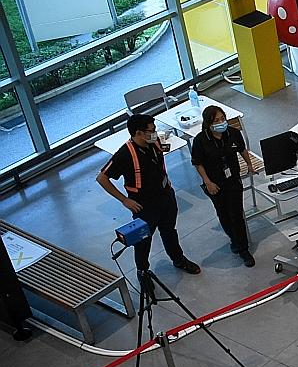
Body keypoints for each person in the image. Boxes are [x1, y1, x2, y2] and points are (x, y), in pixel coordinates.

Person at [96, 113, 200, 277]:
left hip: (166, 196)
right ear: (138, 133)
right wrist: (124, 200)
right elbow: (102, 178)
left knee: (169, 231)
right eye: (151, 130)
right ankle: (142, 271)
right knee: (143, 240)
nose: (155, 133)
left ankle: (178, 259)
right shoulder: (125, 154)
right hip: (144, 205)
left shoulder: (153, 142)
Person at [190, 105, 257, 267]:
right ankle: (234, 240)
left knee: (236, 214)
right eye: (216, 121)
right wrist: (207, 182)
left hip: (233, 179)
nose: (221, 122)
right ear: (208, 123)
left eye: (222, 119)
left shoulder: (233, 134)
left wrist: (249, 165)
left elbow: (242, 150)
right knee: (223, 214)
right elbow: (198, 163)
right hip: (214, 183)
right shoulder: (200, 140)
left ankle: (242, 248)